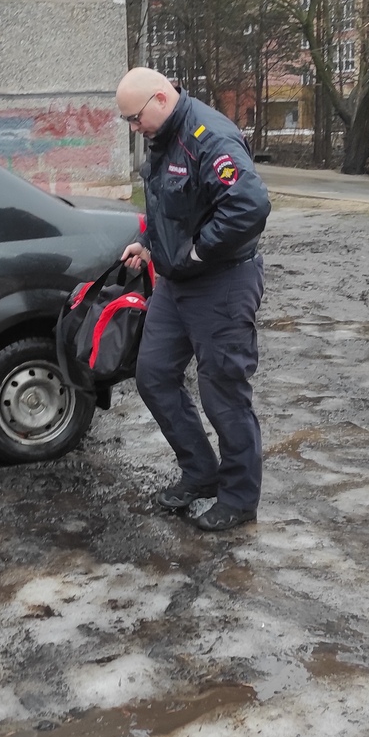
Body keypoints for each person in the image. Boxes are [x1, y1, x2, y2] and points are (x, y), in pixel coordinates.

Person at [118, 68, 271, 532]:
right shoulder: (163, 136)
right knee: (153, 374)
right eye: (127, 121)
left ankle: (239, 498)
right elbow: (169, 204)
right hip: (176, 282)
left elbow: (249, 206)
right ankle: (201, 472)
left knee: (223, 392)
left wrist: (199, 251)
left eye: (135, 117)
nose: (134, 128)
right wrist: (150, 244)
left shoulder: (210, 137)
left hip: (222, 282)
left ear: (161, 98)